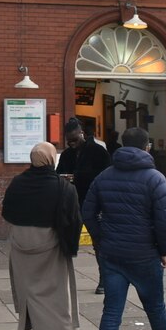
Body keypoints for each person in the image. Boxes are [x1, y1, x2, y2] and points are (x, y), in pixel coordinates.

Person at [81, 127, 166, 330]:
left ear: (122, 145)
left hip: (112, 255)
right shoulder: (155, 178)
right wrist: (164, 250)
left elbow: (88, 213)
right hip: (144, 255)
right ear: (146, 147)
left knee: (111, 313)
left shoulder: (104, 176)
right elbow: (164, 221)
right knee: (155, 309)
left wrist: (101, 240)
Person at [2, 142, 83, 330]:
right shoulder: (62, 187)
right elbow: (73, 221)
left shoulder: (18, 182)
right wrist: (70, 248)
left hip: (21, 246)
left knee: (29, 297)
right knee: (51, 299)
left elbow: (6, 211)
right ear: (50, 159)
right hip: (51, 247)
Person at [56, 116, 111, 292]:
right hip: (73, 203)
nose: (71, 144)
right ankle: (59, 281)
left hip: (94, 202)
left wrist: (77, 177)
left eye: (74, 140)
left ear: (82, 133)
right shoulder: (66, 154)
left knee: (99, 243)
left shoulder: (98, 151)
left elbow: (105, 176)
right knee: (65, 242)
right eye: (68, 141)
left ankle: (104, 280)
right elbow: (59, 174)